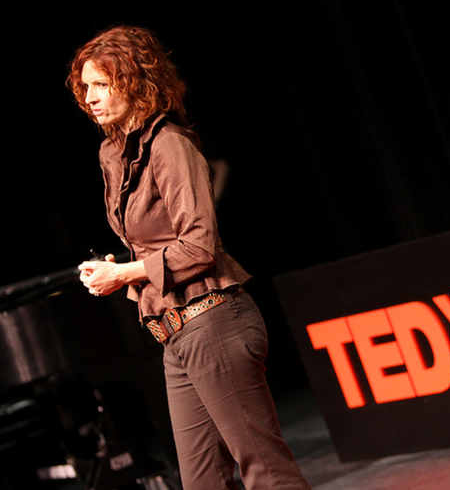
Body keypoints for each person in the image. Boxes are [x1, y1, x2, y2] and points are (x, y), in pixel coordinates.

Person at [68, 25, 311, 490]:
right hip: (174, 335)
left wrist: (126, 273)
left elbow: (199, 246)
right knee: (202, 483)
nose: (91, 97)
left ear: (135, 81)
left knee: (265, 470)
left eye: (102, 84)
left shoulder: (170, 145)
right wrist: (117, 273)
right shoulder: (113, 153)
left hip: (214, 322)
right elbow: (152, 244)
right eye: (86, 87)